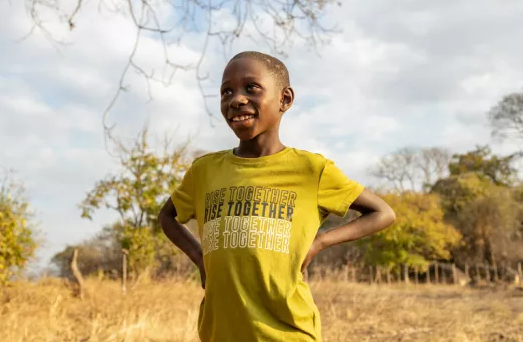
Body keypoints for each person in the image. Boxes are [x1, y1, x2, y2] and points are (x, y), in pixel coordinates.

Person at [159, 51, 396, 342]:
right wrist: (199, 258)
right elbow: (167, 216)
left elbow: (382, 213)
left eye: (251, 88)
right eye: (226, 92)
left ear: (285, 99)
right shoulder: (204, 171)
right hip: (220, 331)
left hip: (288, 332)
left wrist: (319, 242)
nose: (236, 100)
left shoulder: (310, 170)